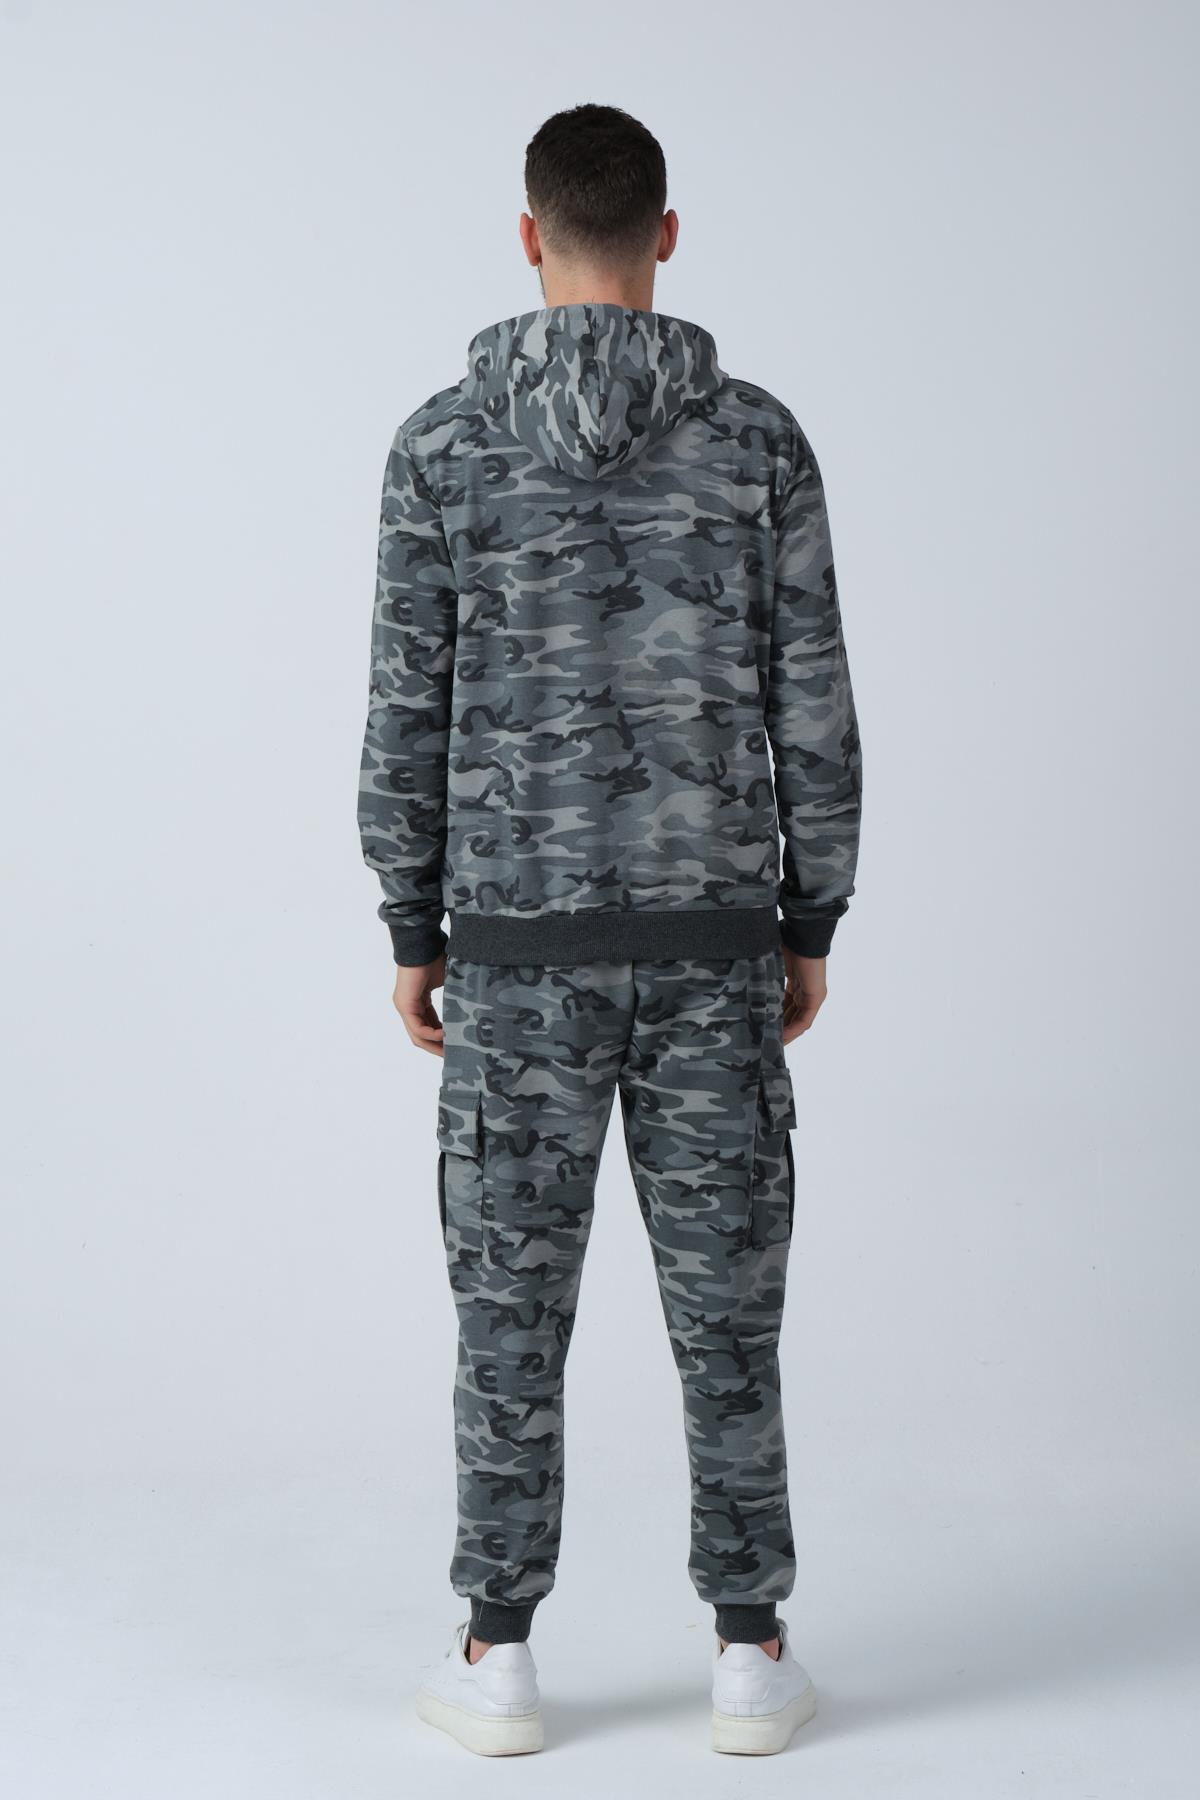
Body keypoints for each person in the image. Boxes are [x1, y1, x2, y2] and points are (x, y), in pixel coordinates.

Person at [356, 102, 862, 1757]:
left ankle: (496, 1654)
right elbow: (812, 701)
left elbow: (406, 710)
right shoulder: (759, 443)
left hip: (514, 964)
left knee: (509, 1316)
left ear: (528, 236)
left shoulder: (440, 448)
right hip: (717, 952)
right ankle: (750, 1650)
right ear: (666, 236)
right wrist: (809, 914)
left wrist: (412, 924)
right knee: (730, 1311)